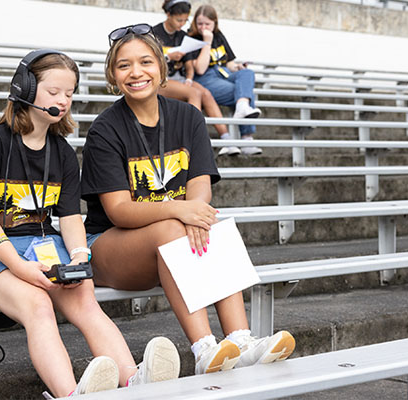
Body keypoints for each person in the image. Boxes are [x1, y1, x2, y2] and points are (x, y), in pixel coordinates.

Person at [0, 49, 180, 398]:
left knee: (85, 299)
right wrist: (19, 266)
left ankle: (135, 382)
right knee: (38, 306)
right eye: (53, 91)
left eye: (69, 93)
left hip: (44, 245)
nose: (63, 100)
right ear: (25, 89)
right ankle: (70, 395)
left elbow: (71, 217)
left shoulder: (61, 151)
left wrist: (78, 255)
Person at [81, 25, 295, 376]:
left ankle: (240, 341)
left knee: (212, 224)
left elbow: (199, 189)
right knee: (175, 226)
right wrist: (183, 211)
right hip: (111, 248)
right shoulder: (106, 129)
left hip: (175, 243)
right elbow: (118, 210)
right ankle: (204, 349)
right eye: (124, 65)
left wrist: (193, 213)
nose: (136, 73)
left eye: (146, 62)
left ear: (162, 67)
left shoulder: (188, 117)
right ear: (112, 74)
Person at [153, 0, 238, 156]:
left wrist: (190, 78)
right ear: (168, 14)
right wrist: (168, 56)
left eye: (185, 20)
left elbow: (190, 65)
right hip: (161, 81)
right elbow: (148, 62)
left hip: (181, 79)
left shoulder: (183, 35)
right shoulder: (154, 33)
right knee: (194, 93)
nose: (182, 24)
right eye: (179, 20)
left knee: (205, 93)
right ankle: (195, 139)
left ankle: (227, 140)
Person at [188, 5, 263, 156]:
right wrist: (207, 42)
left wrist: (237, 67)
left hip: (223, 72)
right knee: (244, 93)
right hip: (205, 78)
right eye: (200, 23)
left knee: (247, 73)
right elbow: (200, 69)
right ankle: (247, 137)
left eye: (207, 24)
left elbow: (228, 62)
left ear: (214, 23)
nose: (203, 27)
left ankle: (242, 106)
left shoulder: (219, 36)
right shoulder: (191, 38)